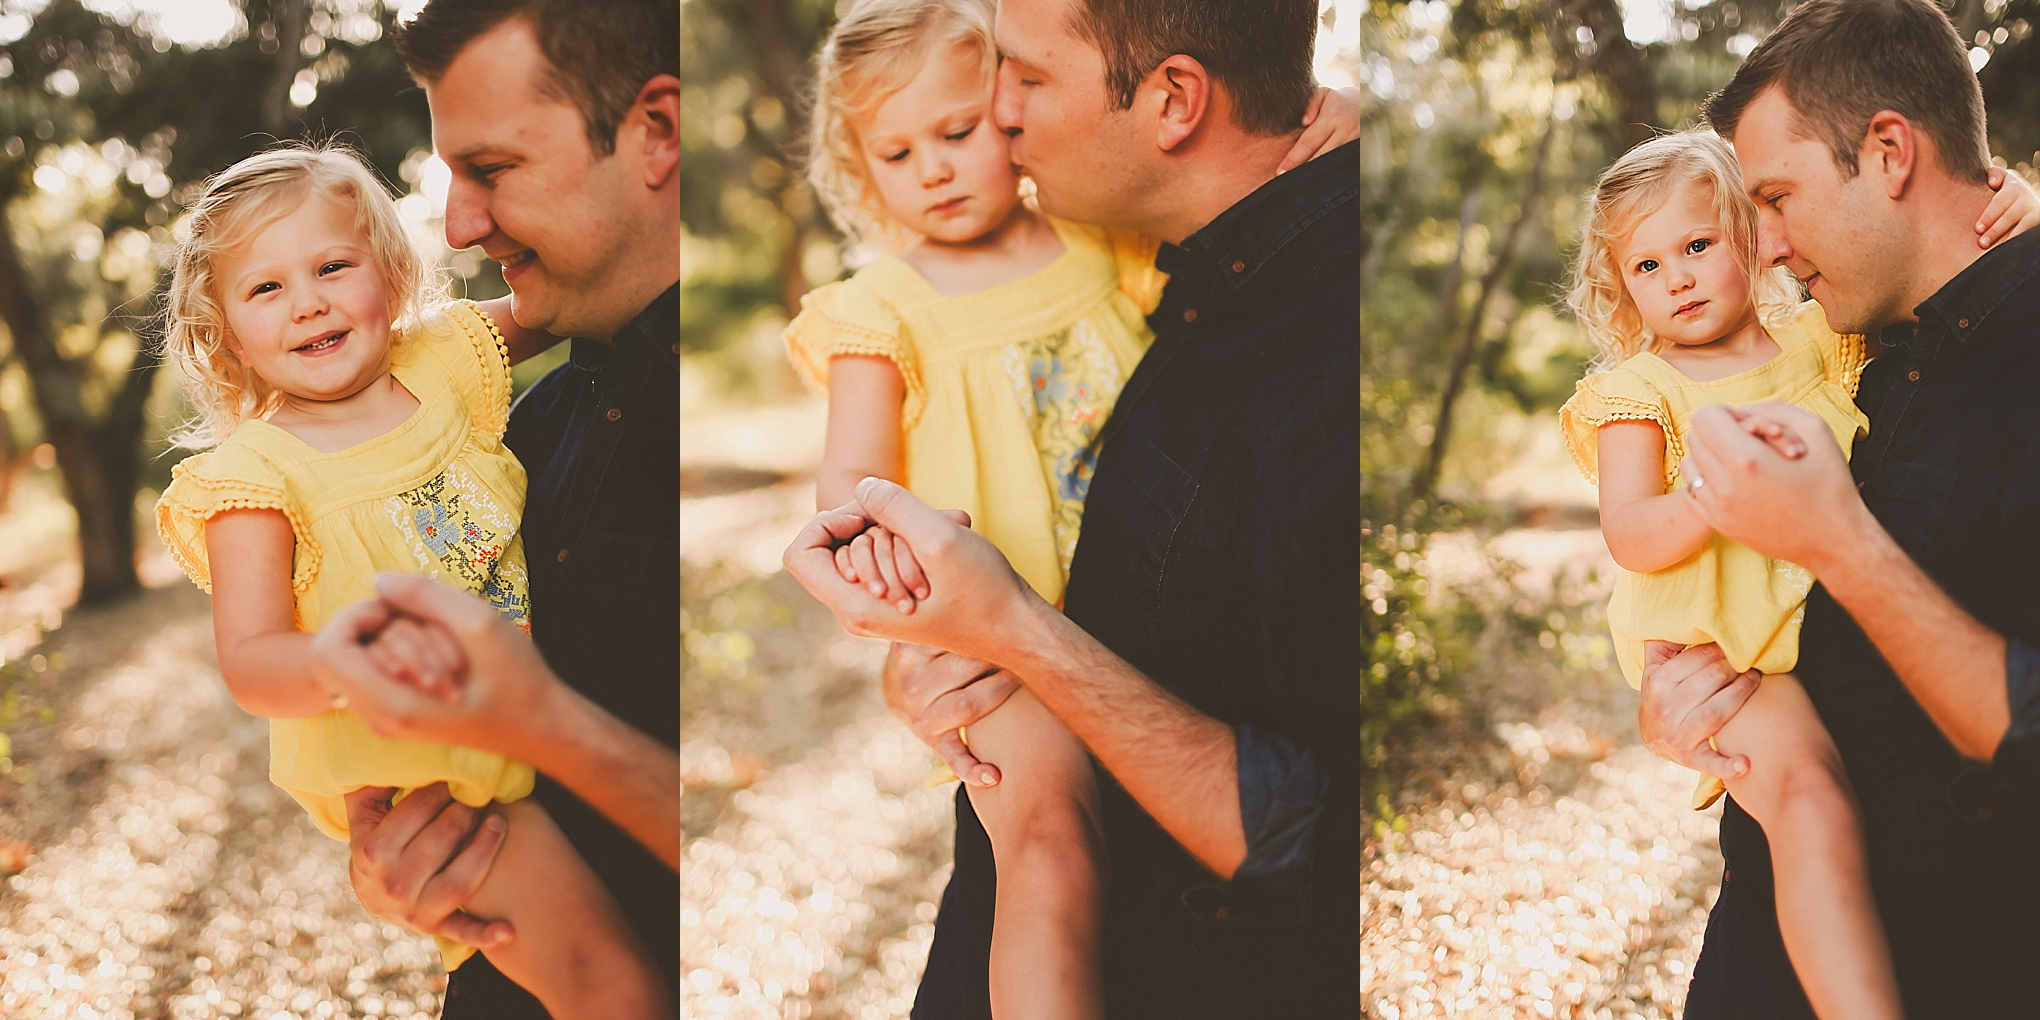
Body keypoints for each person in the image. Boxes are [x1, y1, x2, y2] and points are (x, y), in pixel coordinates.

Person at [784, 0, 1356, 1014]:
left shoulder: (1099, 240)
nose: (936, 170)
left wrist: (1340, 116)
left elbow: (1239, 186)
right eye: (897, 154)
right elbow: (855, 488)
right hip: (991, 649)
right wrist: (891, 592)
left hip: (1139, 633)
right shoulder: (878, 309)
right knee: (1050, 851)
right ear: (860, 165)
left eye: (965, 128)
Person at [152, 145, 664, 1019]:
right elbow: (251, 661)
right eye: (265, 288)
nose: (308, 302)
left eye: (333, 267)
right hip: (434, 780)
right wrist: (334, 662)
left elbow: (579, 296)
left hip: (532, 718)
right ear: (227, 332)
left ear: (389, 277)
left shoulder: (444, 361)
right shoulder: (252, 477)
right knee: (610, 983)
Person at [1628, 0, 2040, 1015]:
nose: (1763, 247)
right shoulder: (1850, 349)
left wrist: (1840, 541)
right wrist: (1689, 707)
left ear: (1890, 152)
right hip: (1759, 959)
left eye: (1777, 196)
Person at [304, 1, 680, 1016]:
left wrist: (544, 724)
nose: (460, 225)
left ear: (657, 133)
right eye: (450, 178)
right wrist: (404, 857)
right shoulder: (514, 434)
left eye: (492, 169)